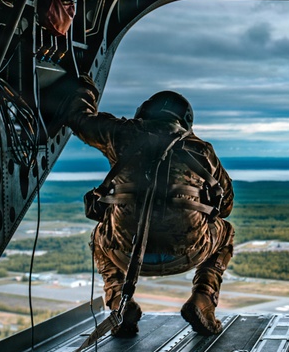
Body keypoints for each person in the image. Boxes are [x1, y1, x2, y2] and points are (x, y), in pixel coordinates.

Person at [61, 85, 234, 338]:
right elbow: (226, 206)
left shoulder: (120, 134)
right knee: (225, 232)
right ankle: (203, 299)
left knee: (100, 235)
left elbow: (79, 119)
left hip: (125, 254)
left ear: (143, 113)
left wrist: (84, 84)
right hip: (187, 253)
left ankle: (120, 303)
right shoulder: (202, 150)